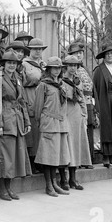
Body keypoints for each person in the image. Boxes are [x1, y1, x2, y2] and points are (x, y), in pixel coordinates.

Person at [0, 49, 32, 201]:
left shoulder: (18, 78)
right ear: (4, 64)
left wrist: (26, 120)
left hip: (17, 120)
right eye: (9, 63)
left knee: (13, 156)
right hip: (5, 119)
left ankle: (9, 186)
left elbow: (22, 101)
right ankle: (2, 188)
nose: (12, 66)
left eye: (14, 63)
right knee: (3, 157)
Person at [34, 57, 71, 197]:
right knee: (47, 157)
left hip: (61, 124)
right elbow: (38, 108)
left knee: (56, 156)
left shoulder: (61, 84)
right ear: (48, 69)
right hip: (49, 123)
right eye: (54, 68)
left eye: (59, 68)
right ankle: (48, 185)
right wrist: (41, 122)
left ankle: (55, 183)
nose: (57, 70)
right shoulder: (43, 85)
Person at [59, 55, 92, 191]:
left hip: (76, 113)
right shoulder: (60, 80)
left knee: (76, 145)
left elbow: (82, 98)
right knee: (65, 145)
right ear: (65, 66)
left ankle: (73, 178)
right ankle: (63, 179)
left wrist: (84, 114)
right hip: (65, 111)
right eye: (70, 65)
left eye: (75, 65)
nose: (73, 68)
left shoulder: (78, 81)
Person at [68, 39, 96, 169]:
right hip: (78, 103)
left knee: (89, 128)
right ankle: (79, 160)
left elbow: (91, 86)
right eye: (76, 53)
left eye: (80, 53)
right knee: (80, 130)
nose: (79, 55)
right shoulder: (71, 70)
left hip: (89, 102)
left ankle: (89, 158)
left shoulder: (84, 68)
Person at [22, 38, 47, 174]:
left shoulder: (44, 64)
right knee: (32, 133)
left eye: (40, 49)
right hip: (30, 96)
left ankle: (41, 161)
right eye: (35, 49)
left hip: (43, 98)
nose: (38, 51)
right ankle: (32, 163)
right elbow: (23, 81)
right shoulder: (24, 64)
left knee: (41, 131)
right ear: (29, 50)